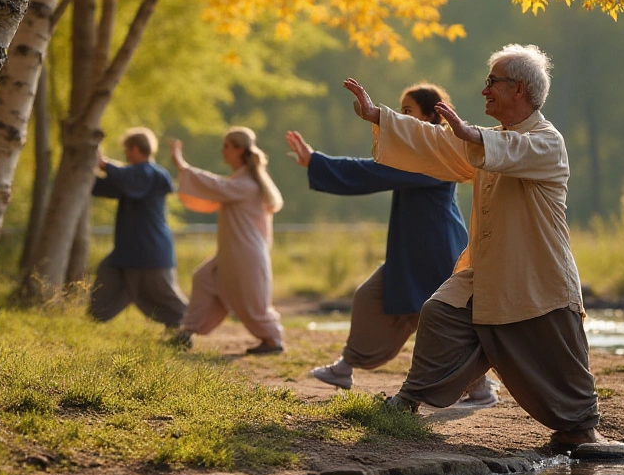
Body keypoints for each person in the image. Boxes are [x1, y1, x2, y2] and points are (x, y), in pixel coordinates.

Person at [342, 44, 624, 455]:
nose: (484, 91)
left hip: (538, 281)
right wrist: (379, 117)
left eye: (492, 82)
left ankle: (582, 430)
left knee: (563, 362)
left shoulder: (547, 142)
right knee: (439, 313)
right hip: (487, 274)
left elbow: (507, 153)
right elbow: (437, 144)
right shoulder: (488, 141)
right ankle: (406, 403)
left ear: (519, 90)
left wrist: (470, 135)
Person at [285, 83, 499, 406]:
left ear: (431, 116)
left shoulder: (434, 159)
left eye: (408, 112)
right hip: (410, 252)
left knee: (442, 322)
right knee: (371, 299)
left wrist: (318, 163)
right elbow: (374, 171)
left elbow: (371, 174)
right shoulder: (412, 157)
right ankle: (347, 366)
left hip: (437, 251)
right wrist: (316, 163)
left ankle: (479, 386)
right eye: (400, 111)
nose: (401, 118)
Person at [170, 127, 286, 355]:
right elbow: (218, 188)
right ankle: (186, 333)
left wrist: (183, 166)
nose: (222, 151)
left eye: (226, 146)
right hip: (235, 253)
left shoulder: (246, 185)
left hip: (245, 256)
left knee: (253, 304)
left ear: (239, 149)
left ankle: (274, 340)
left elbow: (215, 186)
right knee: (203, 278)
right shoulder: (242, 181)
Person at [88, 127, 187, 328]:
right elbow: (106, 185)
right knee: (107, 278)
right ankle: (92, 322)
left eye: (126, 150)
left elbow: (129, 176)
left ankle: (186, 328)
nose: (125, 155)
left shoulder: (152, 174)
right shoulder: (131, 180)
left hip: (151, 250)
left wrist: (104, 164)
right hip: (127, 252)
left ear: (135, 149)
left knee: (164, 295)